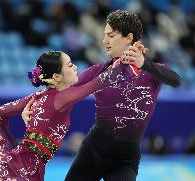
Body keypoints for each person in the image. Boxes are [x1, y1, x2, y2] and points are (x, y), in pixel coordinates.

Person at [22, 10, 181, 181]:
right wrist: (31, 105)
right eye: (105, 35)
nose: (105, 41)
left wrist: (145, 63)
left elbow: (176, 81)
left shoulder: (152, 72)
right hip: (93, 150)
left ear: (129, 37)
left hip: (124, 159)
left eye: (111, 35)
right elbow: (60, 91)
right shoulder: (98, 71)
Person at [0, 50, 135, 181]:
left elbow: (1, 112)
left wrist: (2, 149)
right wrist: (126, 63)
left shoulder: (38, 96)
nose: (76, 67)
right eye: (70, 65)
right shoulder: (62, 98)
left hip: (19, 166)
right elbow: (98, 83)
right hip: (20, 170)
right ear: (56, 76)